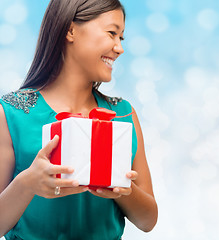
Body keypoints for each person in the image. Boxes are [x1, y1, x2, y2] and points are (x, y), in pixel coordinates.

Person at [0, 0, 158, 239]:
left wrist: (123, 190)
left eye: (121, 38)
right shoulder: (12, 113)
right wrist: (27, 183)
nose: (119, 48)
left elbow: (148, 221)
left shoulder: (124, 114)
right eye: (112, 33)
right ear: (71, 31)